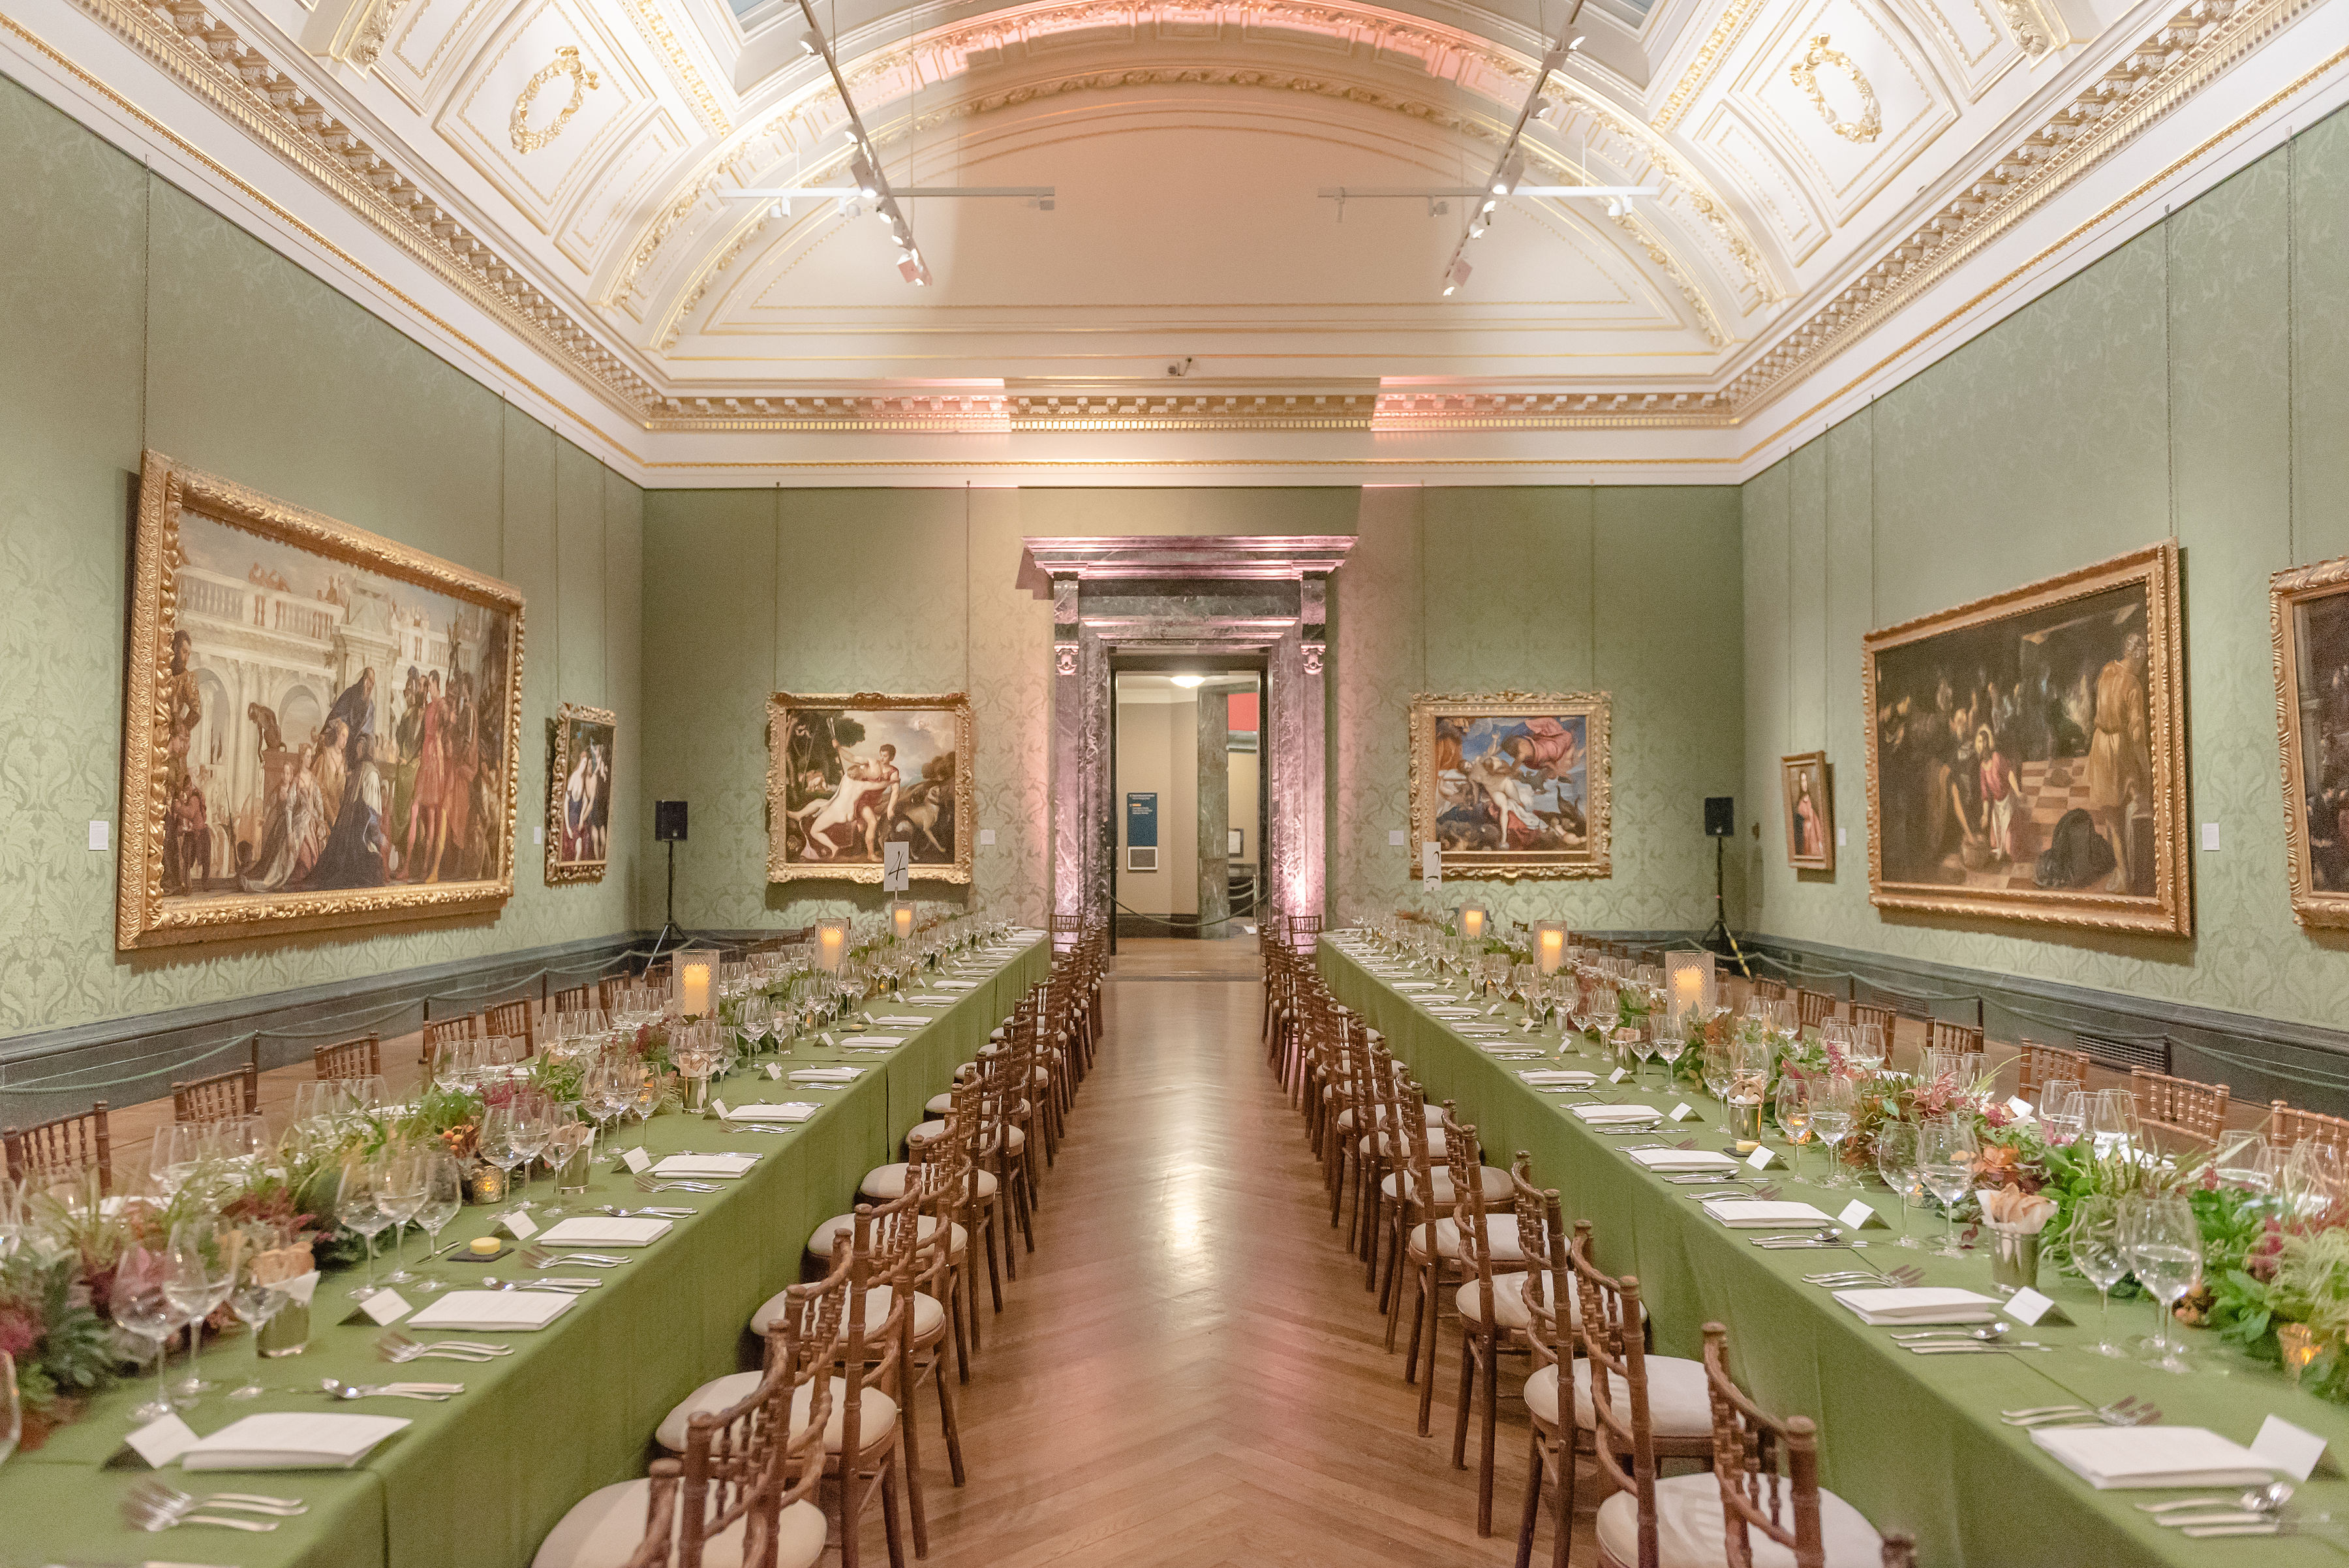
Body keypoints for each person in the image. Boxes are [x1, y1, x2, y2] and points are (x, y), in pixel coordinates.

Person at [2086, 632, 2149, 891]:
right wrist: (2147, 769)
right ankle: (2128, 874)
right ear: (2136, 656)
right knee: (2127, 810)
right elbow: (2137, 736)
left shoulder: (2106, 670)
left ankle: (2122, 871)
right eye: (2143, 659)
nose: (2144, 664)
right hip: (2119, 749)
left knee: (2111, 815)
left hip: (2100, 744)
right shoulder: (2133, 685)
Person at [1976, 726, 2021, 865]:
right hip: (1997, 804)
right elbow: (1985, 794)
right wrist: (1985, 814)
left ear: (1988, 743)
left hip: (2007, 801)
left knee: (2009, 843)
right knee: (1996, 839)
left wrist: (2018, 792)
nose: (1981, 745)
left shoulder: (1996, 758)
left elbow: (2010, 774)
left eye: (1984, 741)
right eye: (1978, 742)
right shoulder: (1982, 768)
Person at [1793, 772, 1821, 860]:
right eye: (1802, 781)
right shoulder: (1799, 803)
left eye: (1805, 780)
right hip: (1804, 836)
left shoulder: (1812, 801)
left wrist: (1820, 840)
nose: (1804, 784)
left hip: (1813, 835)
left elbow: (1817, 822)